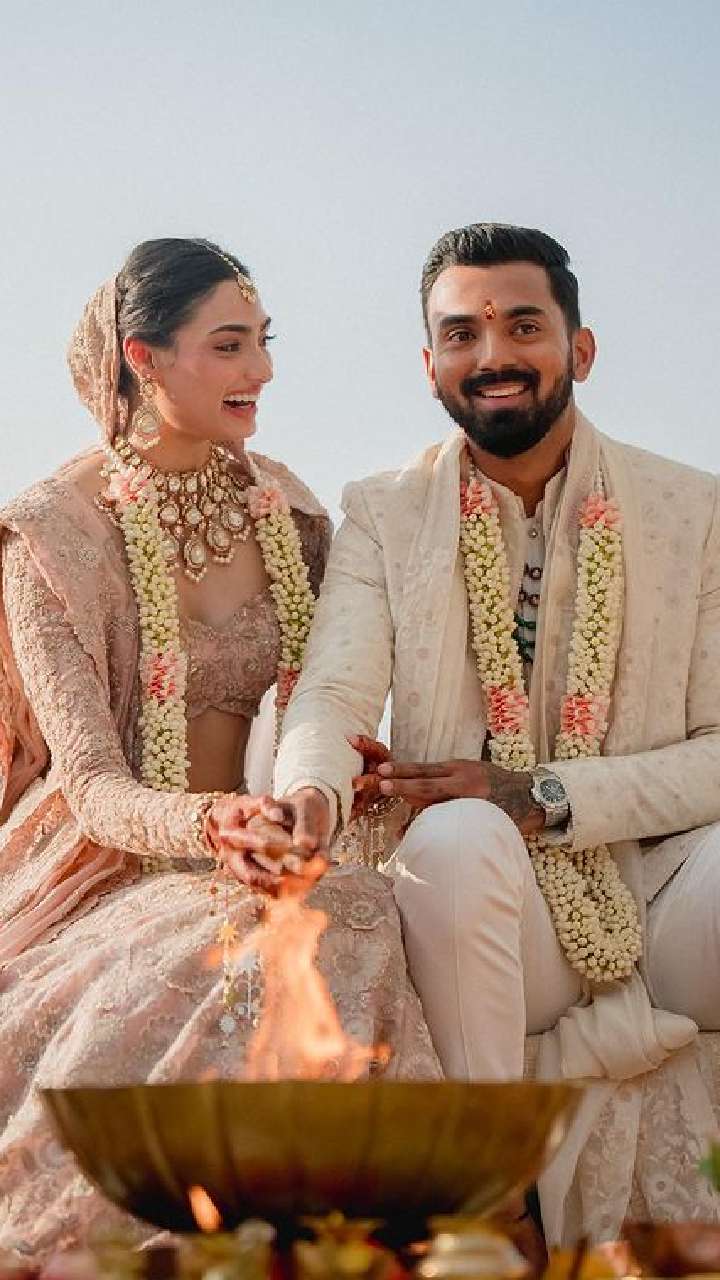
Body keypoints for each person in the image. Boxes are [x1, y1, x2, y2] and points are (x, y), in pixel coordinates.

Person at [258, 224, 720, 1241]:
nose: (493, 355)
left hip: (663, 891)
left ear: (580, 349)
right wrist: (310, 798)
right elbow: (332, 695)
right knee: (457, 839)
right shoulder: (387, 511)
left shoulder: (692, 510)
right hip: (508, 920)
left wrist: (546, 794)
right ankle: (493, 1208)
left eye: (523, 326)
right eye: (462, 333)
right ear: (430, 364)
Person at [0, 238, 440, 1256]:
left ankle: (344, 1238)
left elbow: (324, 705)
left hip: (280, 848)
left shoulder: (294, 514)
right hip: (112, 863)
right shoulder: (51, 537)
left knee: (354, 903)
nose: (264, 370)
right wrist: (211, 824)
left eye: (264, 341)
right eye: (231, 345)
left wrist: (348, 778)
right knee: (252, 935)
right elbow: (92, 782)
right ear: (143, 357)